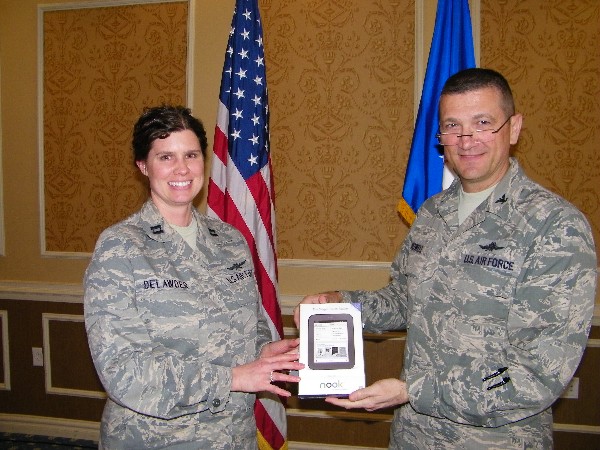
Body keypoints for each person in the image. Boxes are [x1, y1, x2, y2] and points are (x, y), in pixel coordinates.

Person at [295, 68, 597, 449]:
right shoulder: (433, 213)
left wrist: (413, 391)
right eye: (452, 125)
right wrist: (340, 303)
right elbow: (404, 300)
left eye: (483, 123)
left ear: (514, 128)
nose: (466, 140)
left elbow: (538, 371)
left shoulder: (554, 227)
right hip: (414, 437)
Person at [84, 105, 302, 449]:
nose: (182, 168)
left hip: (233, 436)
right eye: (165, 157)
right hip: (160, 438)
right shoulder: (121, 247)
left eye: (191, 154)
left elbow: (251, 324)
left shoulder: (230, 240)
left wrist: (265, 349)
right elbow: (123, 371)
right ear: (143, 166)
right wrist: (232, 378)